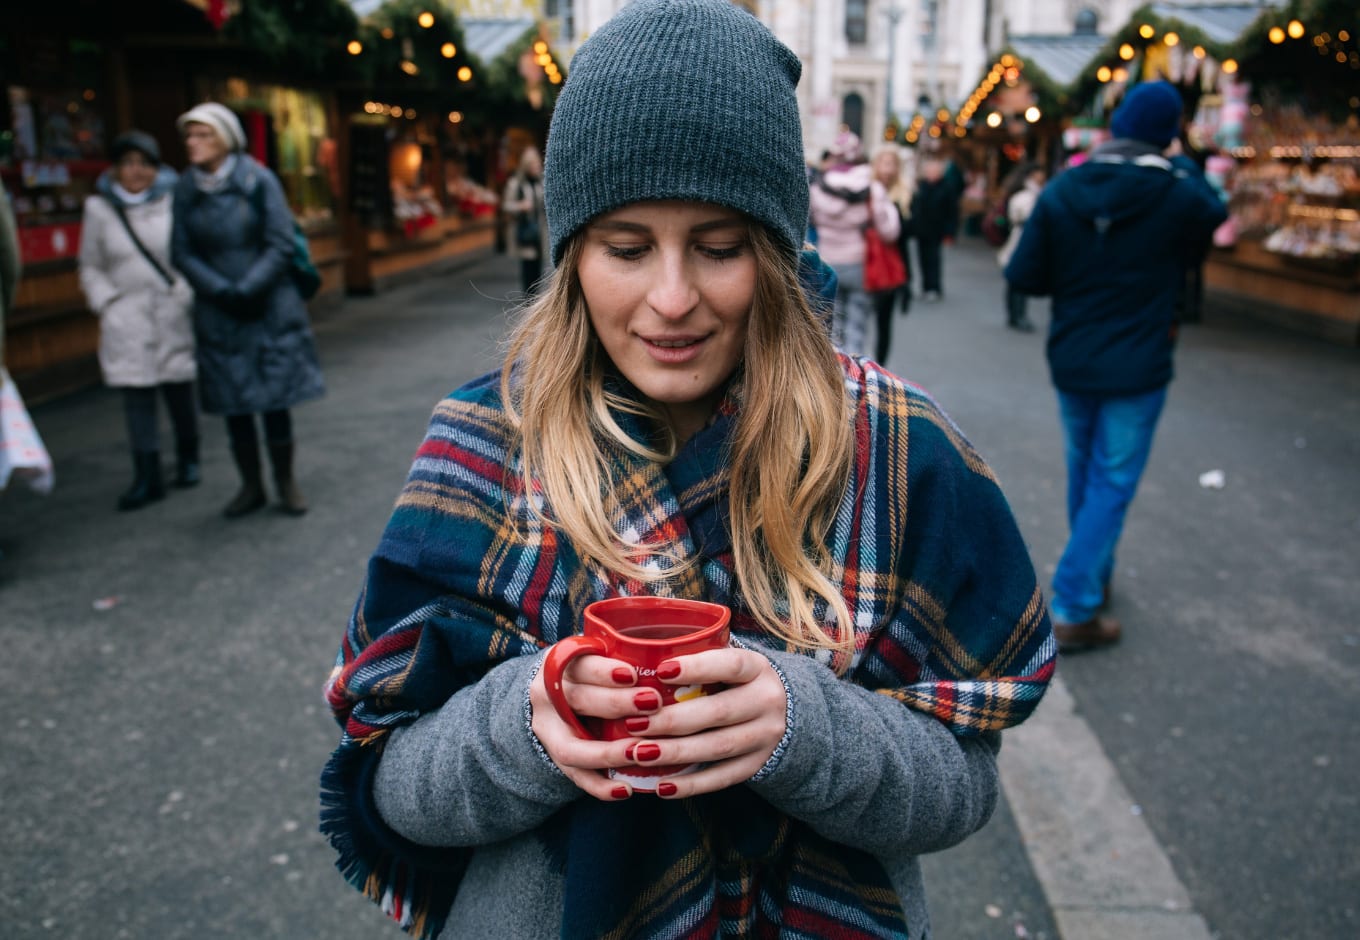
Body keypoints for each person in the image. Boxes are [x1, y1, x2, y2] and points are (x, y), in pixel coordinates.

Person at [320, 3, 1055, 939]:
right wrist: (529, 724)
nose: (672, 300)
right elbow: (390, 788)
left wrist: (802, 727)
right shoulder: (485, 442)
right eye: (626, 249)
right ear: (571, 255)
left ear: (779, 257)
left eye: (720, 248)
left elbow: (958, 790)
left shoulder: (899, 448)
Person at [1005, 80, 1227, 652]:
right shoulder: (1179, 192)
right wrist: (1182, 161)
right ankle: (1076, 602)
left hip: (1075, 353)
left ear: (1116, 125)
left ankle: (1094, 576)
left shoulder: (1065, 187)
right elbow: (1217, 219)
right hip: (1140, 358)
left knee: (1088, 471)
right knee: (1112, 479)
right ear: (1169, 132)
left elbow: (1025, 275)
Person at [171, 102, 325, 517]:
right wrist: (220, 289)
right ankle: (250, 485)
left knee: (275, 396)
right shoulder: (186, 188)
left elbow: (279, 241)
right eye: (189, 135)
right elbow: (181, 250)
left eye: (202, 134)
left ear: (225, 139)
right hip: (218, 309)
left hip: (268, 305)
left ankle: (285, 481)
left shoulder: (258, 179)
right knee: (233, 399)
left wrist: (248, 287)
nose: (193, 143)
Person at [78, 130, 199, 511]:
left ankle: (188, 457)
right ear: (115, 169)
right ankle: (146, 473)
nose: (135, 171)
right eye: (127, 163)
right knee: (137, 397)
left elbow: (189, 252)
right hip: (125, 315)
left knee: (179, 389)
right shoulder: (99, 209)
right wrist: (106, 302)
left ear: (155, 168)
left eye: (143, 163)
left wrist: (185, 291)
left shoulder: (173, 200)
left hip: (169, 308)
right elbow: (89, 266)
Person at [808, 129, 900, 357]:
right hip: (860, 264)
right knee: (858, 326)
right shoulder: (872, 188)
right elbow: (890, 232)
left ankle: (836, 375)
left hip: (828, 261)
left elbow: (812, 221)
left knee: (833, 327)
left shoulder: (818, 187)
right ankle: (856, 380)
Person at [869, 145, 914, 363]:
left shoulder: (903, 196)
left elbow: (904, 243)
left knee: (884, 323)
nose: (888, 169)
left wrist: (907, 281)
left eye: (892, 164)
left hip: (890, 268)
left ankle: (879, 367)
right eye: (884, 163)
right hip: (865, 265)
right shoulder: (863, 191)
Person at [994, 161, 1045, 333]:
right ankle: (1017, 314)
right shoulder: (1026, 195)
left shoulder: (1032, 193)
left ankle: (1016, 314)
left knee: (1017, 275)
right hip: (1021, 238)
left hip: (1021, 237)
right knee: (1018, 274)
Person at [501, 144, 549, 296]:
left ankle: (534, 295)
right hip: (525, 229)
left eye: (538, 164)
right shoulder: (516, 184)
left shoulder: (540, 183)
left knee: (539, 263)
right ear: (526, 165)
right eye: (533, 164)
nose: (537, 167)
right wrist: (520, 206)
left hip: (540, 229)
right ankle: (529, 295)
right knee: (528, 264)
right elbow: (506, 205)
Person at [910, 155, 953, 302]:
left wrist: (949, 232)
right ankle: (925, 286)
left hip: (937, 229)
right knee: (922, 259)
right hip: (922, 229)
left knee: (934, 259)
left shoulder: (946, 187)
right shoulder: (921, 186)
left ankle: (934, 287)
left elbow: (952, 211)